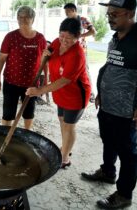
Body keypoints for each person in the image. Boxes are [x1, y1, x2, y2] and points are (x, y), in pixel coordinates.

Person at [81, 0, 137, 209]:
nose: (110, 18)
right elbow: (110, 67)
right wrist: (101, 92)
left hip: (127, 110)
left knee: (128, 152)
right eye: (109, 14)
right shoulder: (116, 37)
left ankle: (124, 194)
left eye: (115, 14)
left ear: (130, 14)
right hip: (107, 104)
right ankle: (108, 172)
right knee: (108, 140)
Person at [26, 18, 91, 168]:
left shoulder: (77, 55)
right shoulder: (57, 42)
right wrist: (44, 55)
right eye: (62, 36)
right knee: (62, 121)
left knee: (69, 125)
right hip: (59, 92)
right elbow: (48, 58)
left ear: (77, 37)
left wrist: (40, 90)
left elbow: (64, 80)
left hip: (75, 96)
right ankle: (65, 148)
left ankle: (65, 157)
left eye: (69, 38)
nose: (64, 41)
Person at [0, 6, 47, 130]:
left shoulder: (40, 38)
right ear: (17, 19)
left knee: (28, 114)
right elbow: (1, 59)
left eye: (26, 17)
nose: (23, 19)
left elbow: (45, 61)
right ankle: (6, 136)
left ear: (32, 19)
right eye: (20, 17)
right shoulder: (10, 37)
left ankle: (26, 136)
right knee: (8, 114)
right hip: (11, 82)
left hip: (31, 84)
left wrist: (46, 80)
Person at [64, 3, 96, 102]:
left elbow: (93, 31)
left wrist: (80, 36)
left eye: (67, 12)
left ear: (73, 10)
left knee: (85, 70)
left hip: (81, 50)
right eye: (65, 12)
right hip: (69, 50)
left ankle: (91, 93)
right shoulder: (67, 22)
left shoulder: (82, 20)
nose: (66, 14)